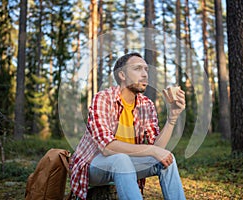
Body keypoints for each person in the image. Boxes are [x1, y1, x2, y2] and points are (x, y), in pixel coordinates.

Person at [70, 52, 186, 200]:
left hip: (127, 164)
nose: (144, 74)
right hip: (93, 166)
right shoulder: (103, 98)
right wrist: (152, 150)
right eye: (137, 69)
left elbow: (157, 147)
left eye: (146, 70)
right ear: (122, 75)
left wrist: (172, 118)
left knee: (167, 159)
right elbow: (107, 148)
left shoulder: (146, 105)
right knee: (120, 159)